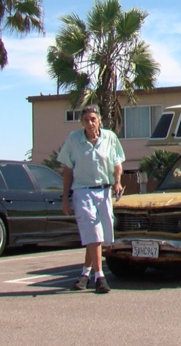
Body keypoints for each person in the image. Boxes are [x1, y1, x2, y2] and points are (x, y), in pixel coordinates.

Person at [59, 105, 125, 294]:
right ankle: (100, 277)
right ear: (81, 122)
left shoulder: (109, 137)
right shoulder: (74, 140)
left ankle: (84, 274)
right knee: (93, 233)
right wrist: (65, 198)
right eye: (86, 119)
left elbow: (117, 162)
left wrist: (117, 182)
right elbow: (67, 170)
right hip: (83, 191)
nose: (90, 123)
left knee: (99, 236)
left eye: (93, 119)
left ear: (99, 121)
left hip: (103, 191)